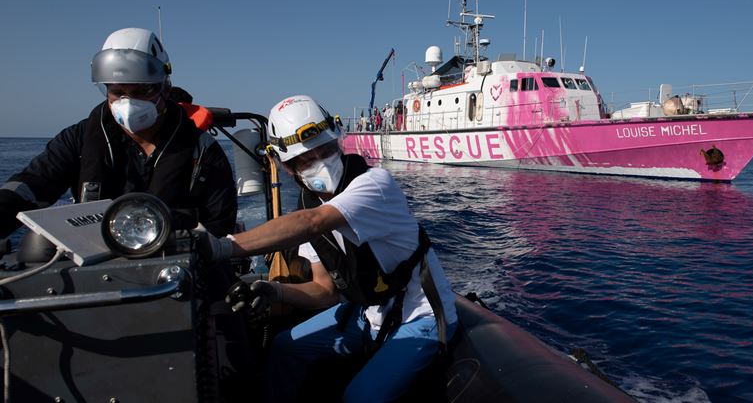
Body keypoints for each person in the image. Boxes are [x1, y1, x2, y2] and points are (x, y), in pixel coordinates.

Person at [204, 95, 458, 402]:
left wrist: (222, 247)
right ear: (288, 168)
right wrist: (274, 291)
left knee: (359, 397)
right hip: (368, 314)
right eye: (306, 159)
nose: (320, 163)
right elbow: (325, 290)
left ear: (339, 143)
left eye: (325, 151)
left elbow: (311, 223)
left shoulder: (373, 185)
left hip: (420, 317)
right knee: (285, 347)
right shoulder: (310, 203)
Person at [0, 28, 237, 239]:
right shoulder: (78, 139)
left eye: (141, 91)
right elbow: (32, 184)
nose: (128, 102)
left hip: (174, 258)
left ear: (165, 88)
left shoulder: (202, 150)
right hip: (94, 260)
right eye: (118, 92)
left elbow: (219, 223)